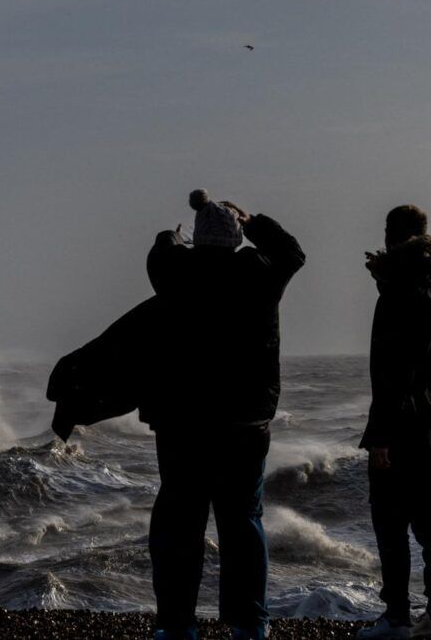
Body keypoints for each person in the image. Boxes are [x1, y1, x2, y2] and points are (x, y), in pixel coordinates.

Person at [144, 189, 305, 640]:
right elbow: (292, 252)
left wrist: (175, 235)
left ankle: (177, 626)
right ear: (236, 238)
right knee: (242, 524)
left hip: (183, 424)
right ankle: (249, 624)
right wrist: (252, 221)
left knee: (180, 525)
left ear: (198, 239)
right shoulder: (260, 273)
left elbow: (161, 249)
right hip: (244, 423)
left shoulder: (174, 271)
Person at [356, 205, 431, 640]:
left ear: (390, 236)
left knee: (391, 525)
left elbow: (393, 369)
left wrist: (380, 436)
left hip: (401, 424)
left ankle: (397, 617)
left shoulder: (399, 293)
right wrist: (387, 277)